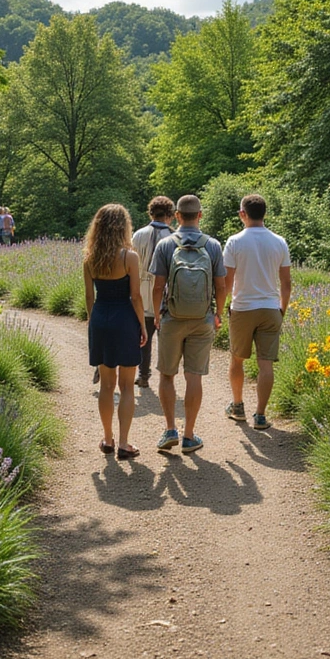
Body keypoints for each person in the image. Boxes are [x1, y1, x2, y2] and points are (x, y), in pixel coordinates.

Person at [151, 194, 226, 454]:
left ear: (178, 216)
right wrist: (218, 313)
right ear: (200, 216)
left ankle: (170, 429)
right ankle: (189, 436)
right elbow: (220, 285)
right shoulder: (214, 246)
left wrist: (159, 314)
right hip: (202, 318)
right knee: (194, 376)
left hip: (172, 317)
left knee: (167, 375)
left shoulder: (165, 245)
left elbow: (158, 285)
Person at [84, 204, 148, 460]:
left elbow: (90, 297)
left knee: (107, 386)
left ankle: (107, 439)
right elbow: (135, 296)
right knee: (127, 386)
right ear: (124, 227)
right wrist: (142, 325)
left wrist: (93, 322)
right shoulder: (129, 257)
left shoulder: (89, 258)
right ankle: (124, 443)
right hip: (124, 319)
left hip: (100, 317)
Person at [223, 194, 292, 430]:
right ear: (265, 214)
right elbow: (286, 282)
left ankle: (238, 405)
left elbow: (227, 280)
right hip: (271, 308)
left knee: (237, 358)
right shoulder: (279, 241)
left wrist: (223, 306)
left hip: (243, 307)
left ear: (243, 214)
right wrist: (282, 308)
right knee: (266, 364)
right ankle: (260, 415)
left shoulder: (234, 242)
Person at [131, 195, 175, 389]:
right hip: (165, 294)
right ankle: (166, 377)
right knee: (165, 338)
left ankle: (144, 375)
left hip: (140, 292)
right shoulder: (174, 237)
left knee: (143, 336)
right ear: (170, 215)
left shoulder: (138, 235)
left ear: (150, 213)